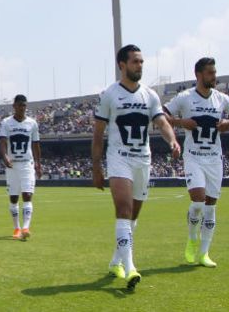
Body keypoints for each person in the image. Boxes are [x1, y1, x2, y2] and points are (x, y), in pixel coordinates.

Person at [92, 44, 181, 290]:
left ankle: (115, 261)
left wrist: (172, 139)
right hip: (119, 158)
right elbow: (98, 134)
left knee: (133, 217)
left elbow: (161, 122)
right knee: (123, 209)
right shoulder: (109, 94)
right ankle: (130, 268)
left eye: (141, 62)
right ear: (122, 65)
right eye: (135, 62)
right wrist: (96, 167)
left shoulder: (150, 95)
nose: (139, 66)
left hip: (143, 159)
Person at [164, 57, 229, 267]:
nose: (214, 77)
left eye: (214, 72)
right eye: (210, 73)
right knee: (198, 202)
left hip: (214, 159)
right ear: (199, 75)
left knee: (210, 208)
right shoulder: (185, 97)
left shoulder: (220, 98)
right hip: (194, 157)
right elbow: (160, 116)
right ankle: (193, 239)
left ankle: (204, 253)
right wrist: (181, 121)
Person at [0, 94, 41, 240]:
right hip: (12, 165)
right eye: (19, 105)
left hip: (27, 163)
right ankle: (16, 228)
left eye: (24, 105)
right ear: (14, 106)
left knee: (27, 195)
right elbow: (3, 142)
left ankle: (26, 227)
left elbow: (36, 144)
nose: (22, 108)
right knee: (14, 198)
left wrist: (38, 164)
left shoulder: (32, 123)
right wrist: (5, 157)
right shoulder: (6, 123)